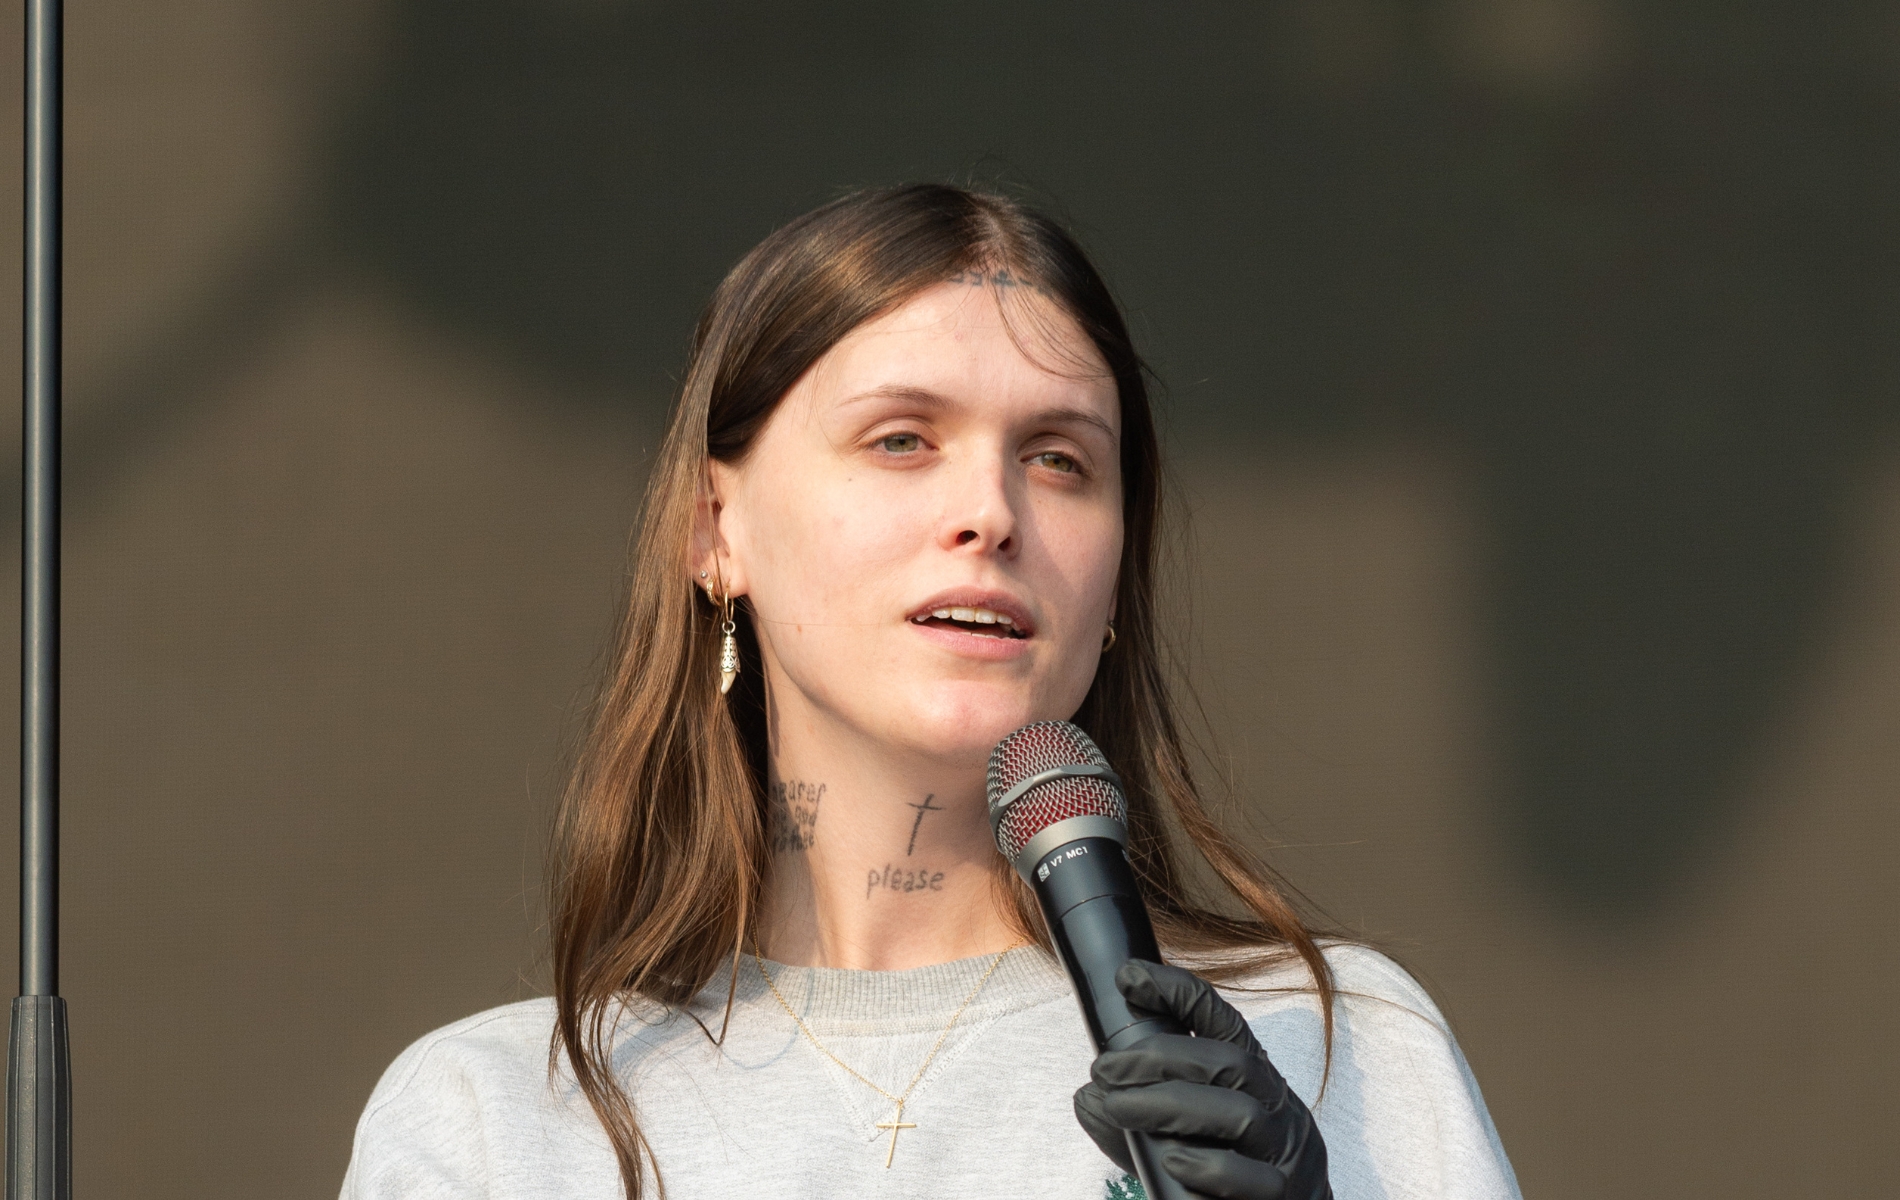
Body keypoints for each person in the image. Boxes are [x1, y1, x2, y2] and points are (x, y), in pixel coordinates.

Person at [339, 184, 1520, 1200]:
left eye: (1059, 459)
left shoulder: (1333, 1050)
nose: (992, 513)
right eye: (903, 439)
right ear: (715, 529)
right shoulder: (495, 1127)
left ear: (1115, 577)